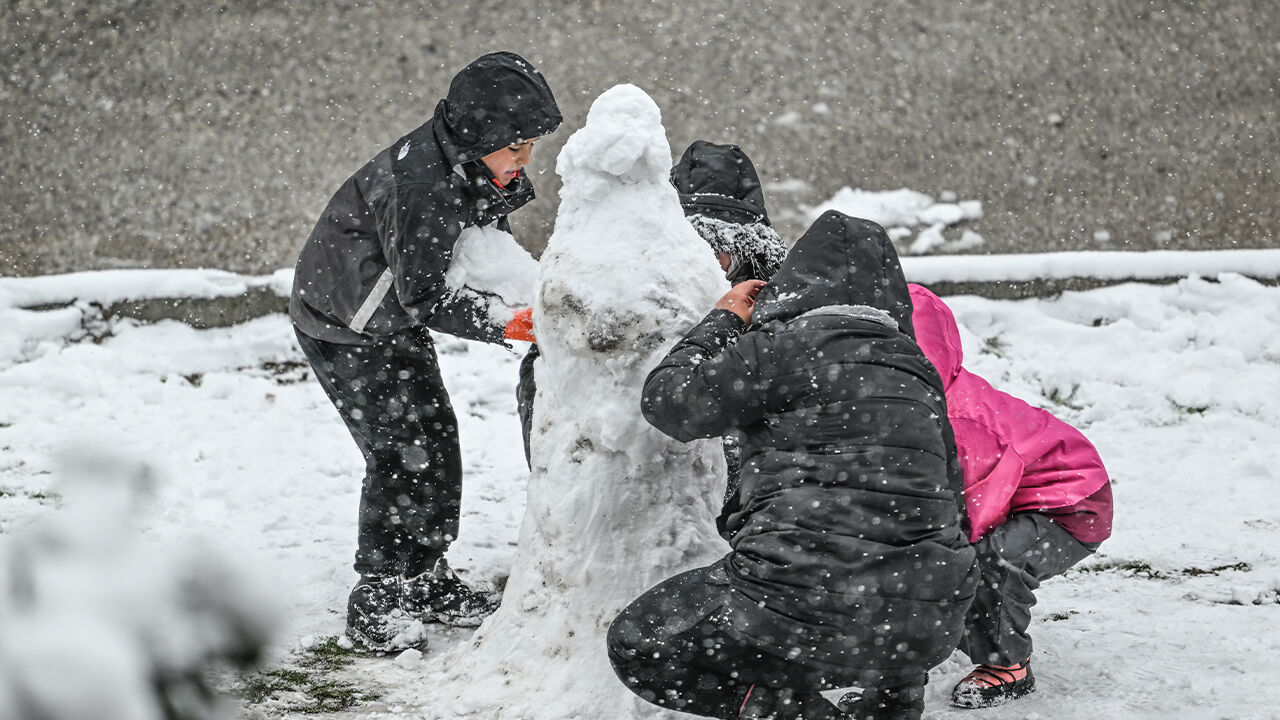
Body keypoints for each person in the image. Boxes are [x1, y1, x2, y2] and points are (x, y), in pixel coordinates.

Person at [607, 210, 978, 720]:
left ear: (796, 283)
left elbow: (670, 402)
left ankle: (789, 709)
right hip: (929, 619)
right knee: (891, 598)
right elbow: (953, 497)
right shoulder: (916, 369)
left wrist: (723, 320)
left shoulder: (783, 347)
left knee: (640, 643)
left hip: (802, 607)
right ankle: (893, 703)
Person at [289, 51, 561, 652]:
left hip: (387, 318)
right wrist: (508, 324)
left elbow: (476, 244)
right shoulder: (422, 189)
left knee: (434, 442)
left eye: (530, 145)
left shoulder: (463, 160)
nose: (525, 158)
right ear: (479, 136)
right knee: (400, 454)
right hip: (345, 324)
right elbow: (427, 297)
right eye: (515, 146)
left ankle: (424, 576)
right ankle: (378, 596)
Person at [515, 140, 787, 463]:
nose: (704, 256)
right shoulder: (632, 284)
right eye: (694, 241)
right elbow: (551, 396)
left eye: (717, 245)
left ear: (745, 246)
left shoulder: (770, 308)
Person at [909, 285, 1113, 708]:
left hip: (1072, 502)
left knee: (992, 561)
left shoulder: (959, 419)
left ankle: (1009, 666)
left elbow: (976, 502)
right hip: (1023, 494)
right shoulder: (916, 406)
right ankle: (967, 628)